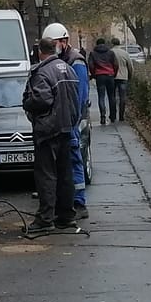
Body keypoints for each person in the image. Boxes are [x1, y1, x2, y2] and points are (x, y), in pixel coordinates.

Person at [21, 25, 81, 232]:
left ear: (40, 52)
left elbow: (41, 100)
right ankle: (66, 215)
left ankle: (46, 218)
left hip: (48, 130)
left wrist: (27, 103)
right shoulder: (69, 69)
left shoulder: (42, 72)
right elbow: (76, 98)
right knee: (66, 175)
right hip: (66, 127)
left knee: (46, 175)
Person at [69, 40, 92, 215]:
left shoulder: (76, 61)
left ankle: (79, 201)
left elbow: (81, 94)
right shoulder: (65, 60)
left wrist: (74, 120)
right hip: (67, 120)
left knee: (76, 159)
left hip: (75, 121)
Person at [89, 37, 120, 125]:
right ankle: (113, 116)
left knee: (101, 97)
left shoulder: (93, 53)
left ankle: (103, 116)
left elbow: (91, 65)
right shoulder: (110, 53)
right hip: (110, 75)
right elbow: (116, 64)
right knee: (111, 96)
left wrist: (94, 74)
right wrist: (114, 73)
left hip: (100, 76)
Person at [110, 40, 132, 124]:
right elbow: (130, 65)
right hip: (123, 77)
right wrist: (129, 75)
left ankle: (113, 115)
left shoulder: (110, 52)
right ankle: (121, 116)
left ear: (112, 44)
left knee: (113, 96)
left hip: (113, 77)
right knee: (122, 97)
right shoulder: (124, 53)